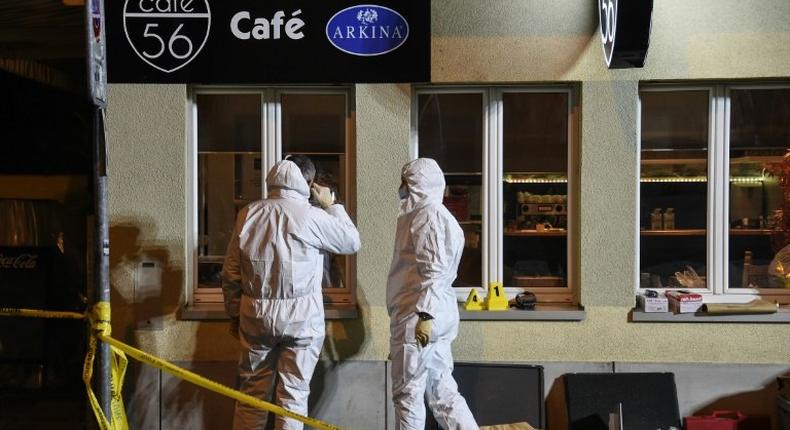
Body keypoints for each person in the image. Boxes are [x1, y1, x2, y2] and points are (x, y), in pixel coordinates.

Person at [221, 155, 361, 430]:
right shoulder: (311, 216)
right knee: (293, 399)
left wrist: (235, 314)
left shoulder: (248, 214)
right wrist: (332, 204)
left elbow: (231, 273)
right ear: (307, 183)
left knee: (251, 398)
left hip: (256, 318)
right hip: (301, 320)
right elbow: (351, 241)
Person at [387, 158, 478, 430]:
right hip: (433, 313)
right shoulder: (432, 215)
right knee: (442, 391)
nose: (402, 188)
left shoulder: (427, 216)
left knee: (408, 393)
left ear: (416, 183)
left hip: (420, 314)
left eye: (406, 181)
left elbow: (433, 271)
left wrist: (424, 315)